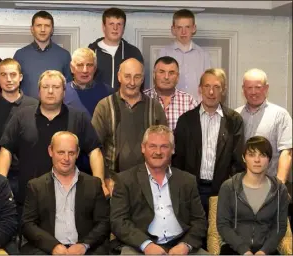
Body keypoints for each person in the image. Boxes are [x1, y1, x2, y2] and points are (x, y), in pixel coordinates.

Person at [0, 70, 108, 214]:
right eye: (45, 87)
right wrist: (1, 186)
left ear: (64, 91)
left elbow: (95, 151)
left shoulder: (78, 117)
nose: (50, 91)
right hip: (28, 199)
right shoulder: (21, 116)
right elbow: (5, 151)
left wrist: (99, 184)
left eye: (56, 87)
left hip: (70, 199)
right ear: (39, 91)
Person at [110, 125, 207, 255]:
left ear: (172, 150)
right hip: (139, 247)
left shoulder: (187, 181)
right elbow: (118, 221)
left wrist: (186, 245)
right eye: (152, 146)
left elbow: (199, 221)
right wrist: (146, 245)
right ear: (143, 148)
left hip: (180, 246)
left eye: (164, 146)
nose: (158, 152)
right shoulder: (125, 180)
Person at [21, 131, 110, 255]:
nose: (66, 158)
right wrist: (53, 246)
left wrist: (84, 245)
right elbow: (28, 224)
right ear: (50, 151)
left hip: (86, 250)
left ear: (78, 153)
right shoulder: (36, 186)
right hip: (46, 250)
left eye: (71, 153)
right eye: (61, 152)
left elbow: (104, 223)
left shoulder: (94, 184)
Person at [172, 68, 245, 214]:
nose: (211, 92)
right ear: (200, 89)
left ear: (223, 90)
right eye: (207, 86)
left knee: (217, 235)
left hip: (223, 191)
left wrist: (232, 188)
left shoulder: (234, 120)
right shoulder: (185, 120)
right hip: (191, 191)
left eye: (217, 87)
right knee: (194, 233)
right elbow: (178, 160)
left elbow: (238, 161)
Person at [92, 58, 167, 189]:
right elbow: (95, 148)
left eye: (137, 77)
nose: (132, 82)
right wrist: (103, 181)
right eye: (127, 76)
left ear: (143, 79)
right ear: (119, 77)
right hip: (113, 184)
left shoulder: (154, 107)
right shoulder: (104, 106)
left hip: (149, 184)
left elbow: (165, 146)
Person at [0, 58, 38, 201]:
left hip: (28, 176)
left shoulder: (35, 106)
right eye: (4, 75)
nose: (8, 79)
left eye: (13, 74)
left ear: (20, 77)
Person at [217, 136, 289, 255]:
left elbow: (280, 227)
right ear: (244, 158)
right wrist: (243, 250)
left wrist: (264, 251)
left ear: (269, 159)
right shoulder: (229, 187)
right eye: (251, 155)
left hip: (267, 250)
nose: (257, 160)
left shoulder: (280, 189)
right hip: (234, 249)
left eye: (262, 155)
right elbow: (223, 225)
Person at [235, 68, 292, 183]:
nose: (253, 92)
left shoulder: (280, 115)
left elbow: (287, 151)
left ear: (266, 88)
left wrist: (279, 184)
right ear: (243, 89)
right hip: (241, 186)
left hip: (271, 185)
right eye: (249, 87)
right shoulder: (235, 115)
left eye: (258, 87)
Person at [13, 11, 72, 99]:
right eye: (39, 25)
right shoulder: (20, 55)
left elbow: (68, 88)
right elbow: (14, 87)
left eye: (47, 26)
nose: (43, 29)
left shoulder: (64, 55)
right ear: (32, 29)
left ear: (52, 29)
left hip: (56, 110)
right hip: (26, 110)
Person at [159, 9, 211, 102]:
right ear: (173, 29)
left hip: (196, 108)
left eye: (187, 27)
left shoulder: (203, 55)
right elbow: (159, 84)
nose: (183, 32)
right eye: (179, 27)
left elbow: (208, 84)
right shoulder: (164, 53)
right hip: (172, 108)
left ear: (194, 28)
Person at [88, 7, 144, 90]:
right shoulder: (91, 51)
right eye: (111, 24)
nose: (115, 28)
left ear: (123, 28)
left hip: (125, 102)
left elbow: (140, 83)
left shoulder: (133, 53)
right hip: (97, 102)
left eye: (119, 24)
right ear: (104, 27)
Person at [143, 56, 198, 130]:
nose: (166, 77)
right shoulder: (143, 98)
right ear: (154, 75)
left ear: (177, 77)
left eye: (171, 73)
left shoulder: (189, 101)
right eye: (161, 72)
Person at [64, 48, 112, 117]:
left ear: (95, 68)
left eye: (89, 65)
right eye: (80, 65)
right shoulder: (62, 92)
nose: (85, 70)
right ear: (72, 68)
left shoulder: (107, 92)